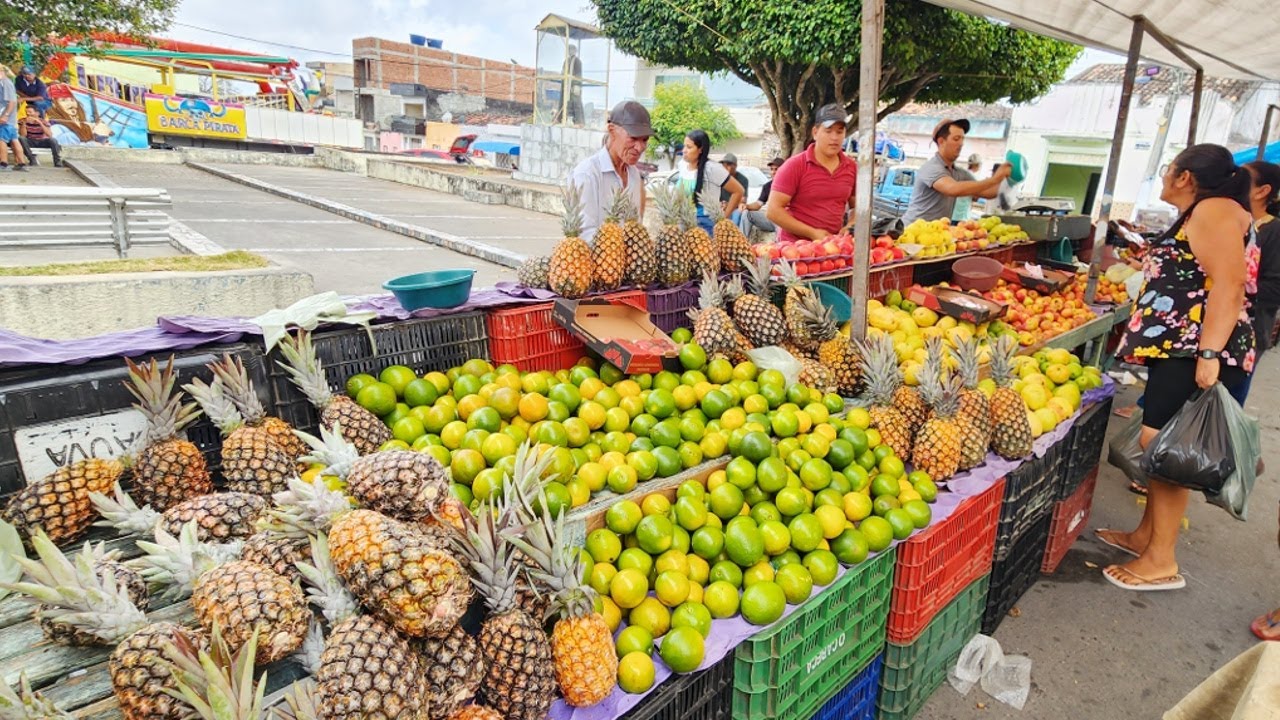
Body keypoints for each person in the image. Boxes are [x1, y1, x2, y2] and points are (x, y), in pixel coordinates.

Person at [1099, 144, 1256, 592]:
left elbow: (1229, 284)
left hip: (1194, 347)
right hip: (1182, 345)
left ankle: (1161, 561)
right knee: (1163, 442)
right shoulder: (1206, 211)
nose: (1165, 177)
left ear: (1185, 176)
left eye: (1169, 170)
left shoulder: (1216, 210)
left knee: (1166, 445)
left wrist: (1208, 354)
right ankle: (1146, 537)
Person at [767, 104, 857, 242]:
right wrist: (812, 233)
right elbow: (773, 211)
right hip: (795, 250)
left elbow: (858, 207)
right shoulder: (795, 165)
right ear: (815, 132)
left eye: (839, 132)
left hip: (834, 248)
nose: (834, 138)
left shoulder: (851, 167)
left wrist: (850, 226)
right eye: (828, 131)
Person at [1229, 161, 1280, 404]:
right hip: (1215, 324)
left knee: (1224, 404)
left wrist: (1236, 285)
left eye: (1242, 178)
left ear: (1262, 191)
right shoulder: (1233, 221)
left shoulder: (1274, 231)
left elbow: (1275, 288)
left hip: (1247, 331)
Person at [568, 100, 651, 243]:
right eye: (633, 138)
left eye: (645, 140)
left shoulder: (634, 175)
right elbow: (583, 233)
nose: (639, 147)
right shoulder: (587, 174)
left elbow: (635, 224)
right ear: (612, 131)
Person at [902, 119, 1010, 223]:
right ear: (941, 141)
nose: (961, 144)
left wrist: (1009, 178)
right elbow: (952, 189)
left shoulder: (960, 173)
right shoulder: (931, 168)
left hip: (935, 234)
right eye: (956, 139)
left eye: (963, 139)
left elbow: (989, 193)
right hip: (911, 233)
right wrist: (995, 179)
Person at [674, 130, 743, 234]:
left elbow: (738, 191)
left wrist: (723, 219)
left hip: (706, 225)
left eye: (689, 147)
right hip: (684, 223)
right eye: (684, 146)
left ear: (700, 149)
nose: (684, 150)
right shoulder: (682, 165)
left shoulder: (712, 168)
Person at [738, 156, 783, 236]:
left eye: (776, 169)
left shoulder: (790, 185)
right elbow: (758, 205)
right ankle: (742, 244)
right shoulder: (767, 186)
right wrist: (746, 206)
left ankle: (780, 247)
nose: (773, 172)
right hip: (770, 220)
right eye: (772, 169)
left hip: (783, 221)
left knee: (782, 226)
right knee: (746, 214)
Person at [0, 66, 29, 172]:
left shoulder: (5, 83)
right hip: (9, 118)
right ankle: (21, 163)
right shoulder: (6, 82)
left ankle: (3, 163)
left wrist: (5, 115)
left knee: (1, 139)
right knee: (14, 139)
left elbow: (12, 101)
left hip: (5, 117)